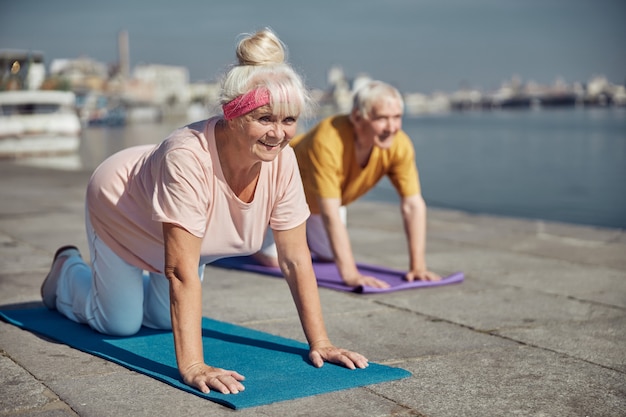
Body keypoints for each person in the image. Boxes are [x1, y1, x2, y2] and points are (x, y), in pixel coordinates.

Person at [40, 28, 368, 396]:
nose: (278, 134)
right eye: (264, 119)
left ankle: (131, 285)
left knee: (164, 320)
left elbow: (294, 257)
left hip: (177, 231)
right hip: (122, 207)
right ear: (232, 115)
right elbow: (180, 272)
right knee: (119, 323)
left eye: (288, 120)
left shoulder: (283, 160)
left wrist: (320, 341)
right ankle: (67, 271)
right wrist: (193, 365)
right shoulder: (186, 157)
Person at [255, 80, 441, 288]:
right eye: (381, 118)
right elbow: (331, 212)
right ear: (357, 118)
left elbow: (412, 205)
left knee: (328, 255)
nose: (391, 127)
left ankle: (301, 236)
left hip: (315, 206)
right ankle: (253, 229)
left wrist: (418, 267)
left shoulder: (400, 144)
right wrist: (350, 275)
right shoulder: (329, 139)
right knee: (276, 260)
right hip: (278, 201)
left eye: (397, 117)